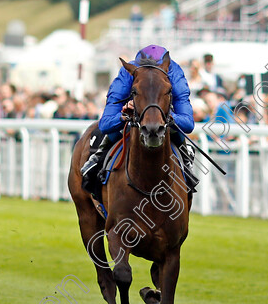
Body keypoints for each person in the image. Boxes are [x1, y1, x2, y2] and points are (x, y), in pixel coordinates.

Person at [81, 44, 196, 194]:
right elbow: (105, 124)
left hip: (163, 120)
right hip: (134, 119)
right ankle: (98, 159)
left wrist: (167, 115)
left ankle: (186, 163)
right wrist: (123, 116)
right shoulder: (127, 73)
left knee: (177, 132)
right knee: (112, 131)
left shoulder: (174, 73)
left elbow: (188, 123)